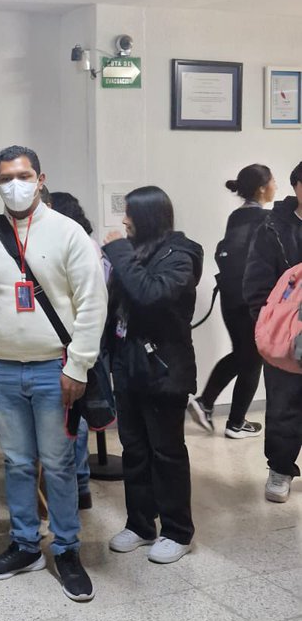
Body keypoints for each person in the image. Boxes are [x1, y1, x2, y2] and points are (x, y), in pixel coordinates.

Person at [0, 146, 107, 602]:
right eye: (5, 178)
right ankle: (24, 545)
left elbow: (92, 303)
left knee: (59, 465)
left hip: (55, 371)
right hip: (0, 371)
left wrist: (78, 364)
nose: (15, 185)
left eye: (23, 176)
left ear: (41, 179)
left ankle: (66, 549)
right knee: (18, 463)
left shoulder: (69, 233)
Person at [103, 186, 202, 564]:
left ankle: (178, 531)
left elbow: (150, 294)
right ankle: (141, 525)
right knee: (135, 451)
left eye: (129, 214)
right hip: (129, 367)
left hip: (164, 370)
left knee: (167, 453)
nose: (123, 221)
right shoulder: (138, 251)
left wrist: (118, 252)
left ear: (148, 217)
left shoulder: (182, 254)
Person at [188, 164, 275, 439]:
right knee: (250, 356)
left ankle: (230, 419)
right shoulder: (266, 219)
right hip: (251, 299)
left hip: (230, 297)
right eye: (272, 181)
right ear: (262, 187)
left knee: (246, 356)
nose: (276, 186)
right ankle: (215, 409)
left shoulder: (236, 217)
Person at [242, 160, 302, 503]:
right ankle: (280, 468)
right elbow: (256, 282)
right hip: (287, 332)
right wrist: (267, 325)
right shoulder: (273, 227)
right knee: (284, 404)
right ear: (297, 186)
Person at [50, 191, 106, 511]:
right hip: (75, 340)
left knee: (74, 415)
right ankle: (79, 483)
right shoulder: (88, 244)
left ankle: (77, 483)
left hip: (73, 343)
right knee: (74, 414)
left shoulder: (79, 247)